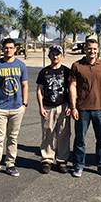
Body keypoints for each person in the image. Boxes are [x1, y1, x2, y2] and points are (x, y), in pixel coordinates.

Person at [69, 38, 101, 178]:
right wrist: (73, 107)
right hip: (82, 109)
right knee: (80, 140)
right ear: (84, 49)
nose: (92, 51)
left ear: (98, 50)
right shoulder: (77, 65)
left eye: (94, 48)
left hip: (100, 108)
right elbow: (73, 86)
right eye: (89, 48)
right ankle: (78, 166)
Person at [0, 38, 29, 181]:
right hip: (1, 108)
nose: (8, 50)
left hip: (17, 107)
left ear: (15, 49)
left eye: (11, 48)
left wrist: (24, 104)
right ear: (2, 49)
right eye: (6, 48)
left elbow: (25, 85)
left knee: (13, 138)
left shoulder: (21, 65)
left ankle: (10, 164)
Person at [36, 45, 71, 174]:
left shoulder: (67, 71)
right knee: (48, 133)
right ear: (49, 56)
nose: (55, 56)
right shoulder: (44, 72)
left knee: (63, 133)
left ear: (61, 56)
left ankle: (62, 160)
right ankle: (47, 159)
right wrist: (41, 106)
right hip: (48, 106)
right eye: (53, 54)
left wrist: (71, 106)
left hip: (63, 106)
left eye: (58, 54)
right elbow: (39, 90)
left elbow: (72, 89)